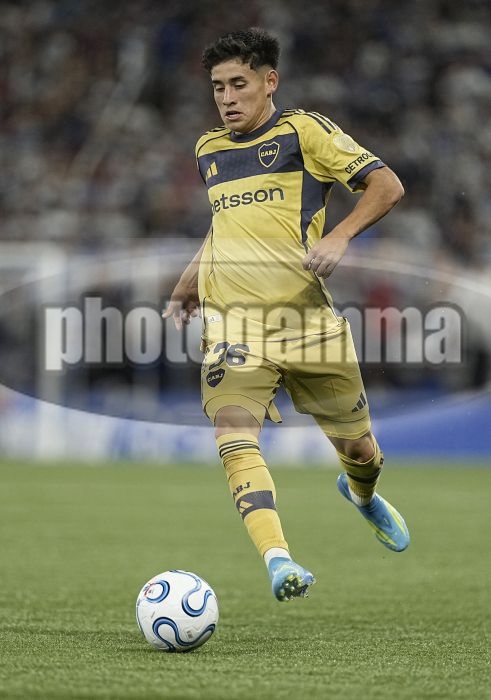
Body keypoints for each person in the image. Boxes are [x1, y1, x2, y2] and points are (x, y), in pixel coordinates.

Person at [163, 27, 409, 602]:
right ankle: (279, 561)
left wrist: (341, 235)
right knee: (232, 431)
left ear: (269, 81)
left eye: (239, 84)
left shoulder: (304, 132)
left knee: (360, 451)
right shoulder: (208, 150)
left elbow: (387, 185)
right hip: (235, 326)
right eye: (218, 87)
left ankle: (362, 494)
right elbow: (226, 224)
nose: (227, 98)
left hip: (307, 324)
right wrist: (190, 280)